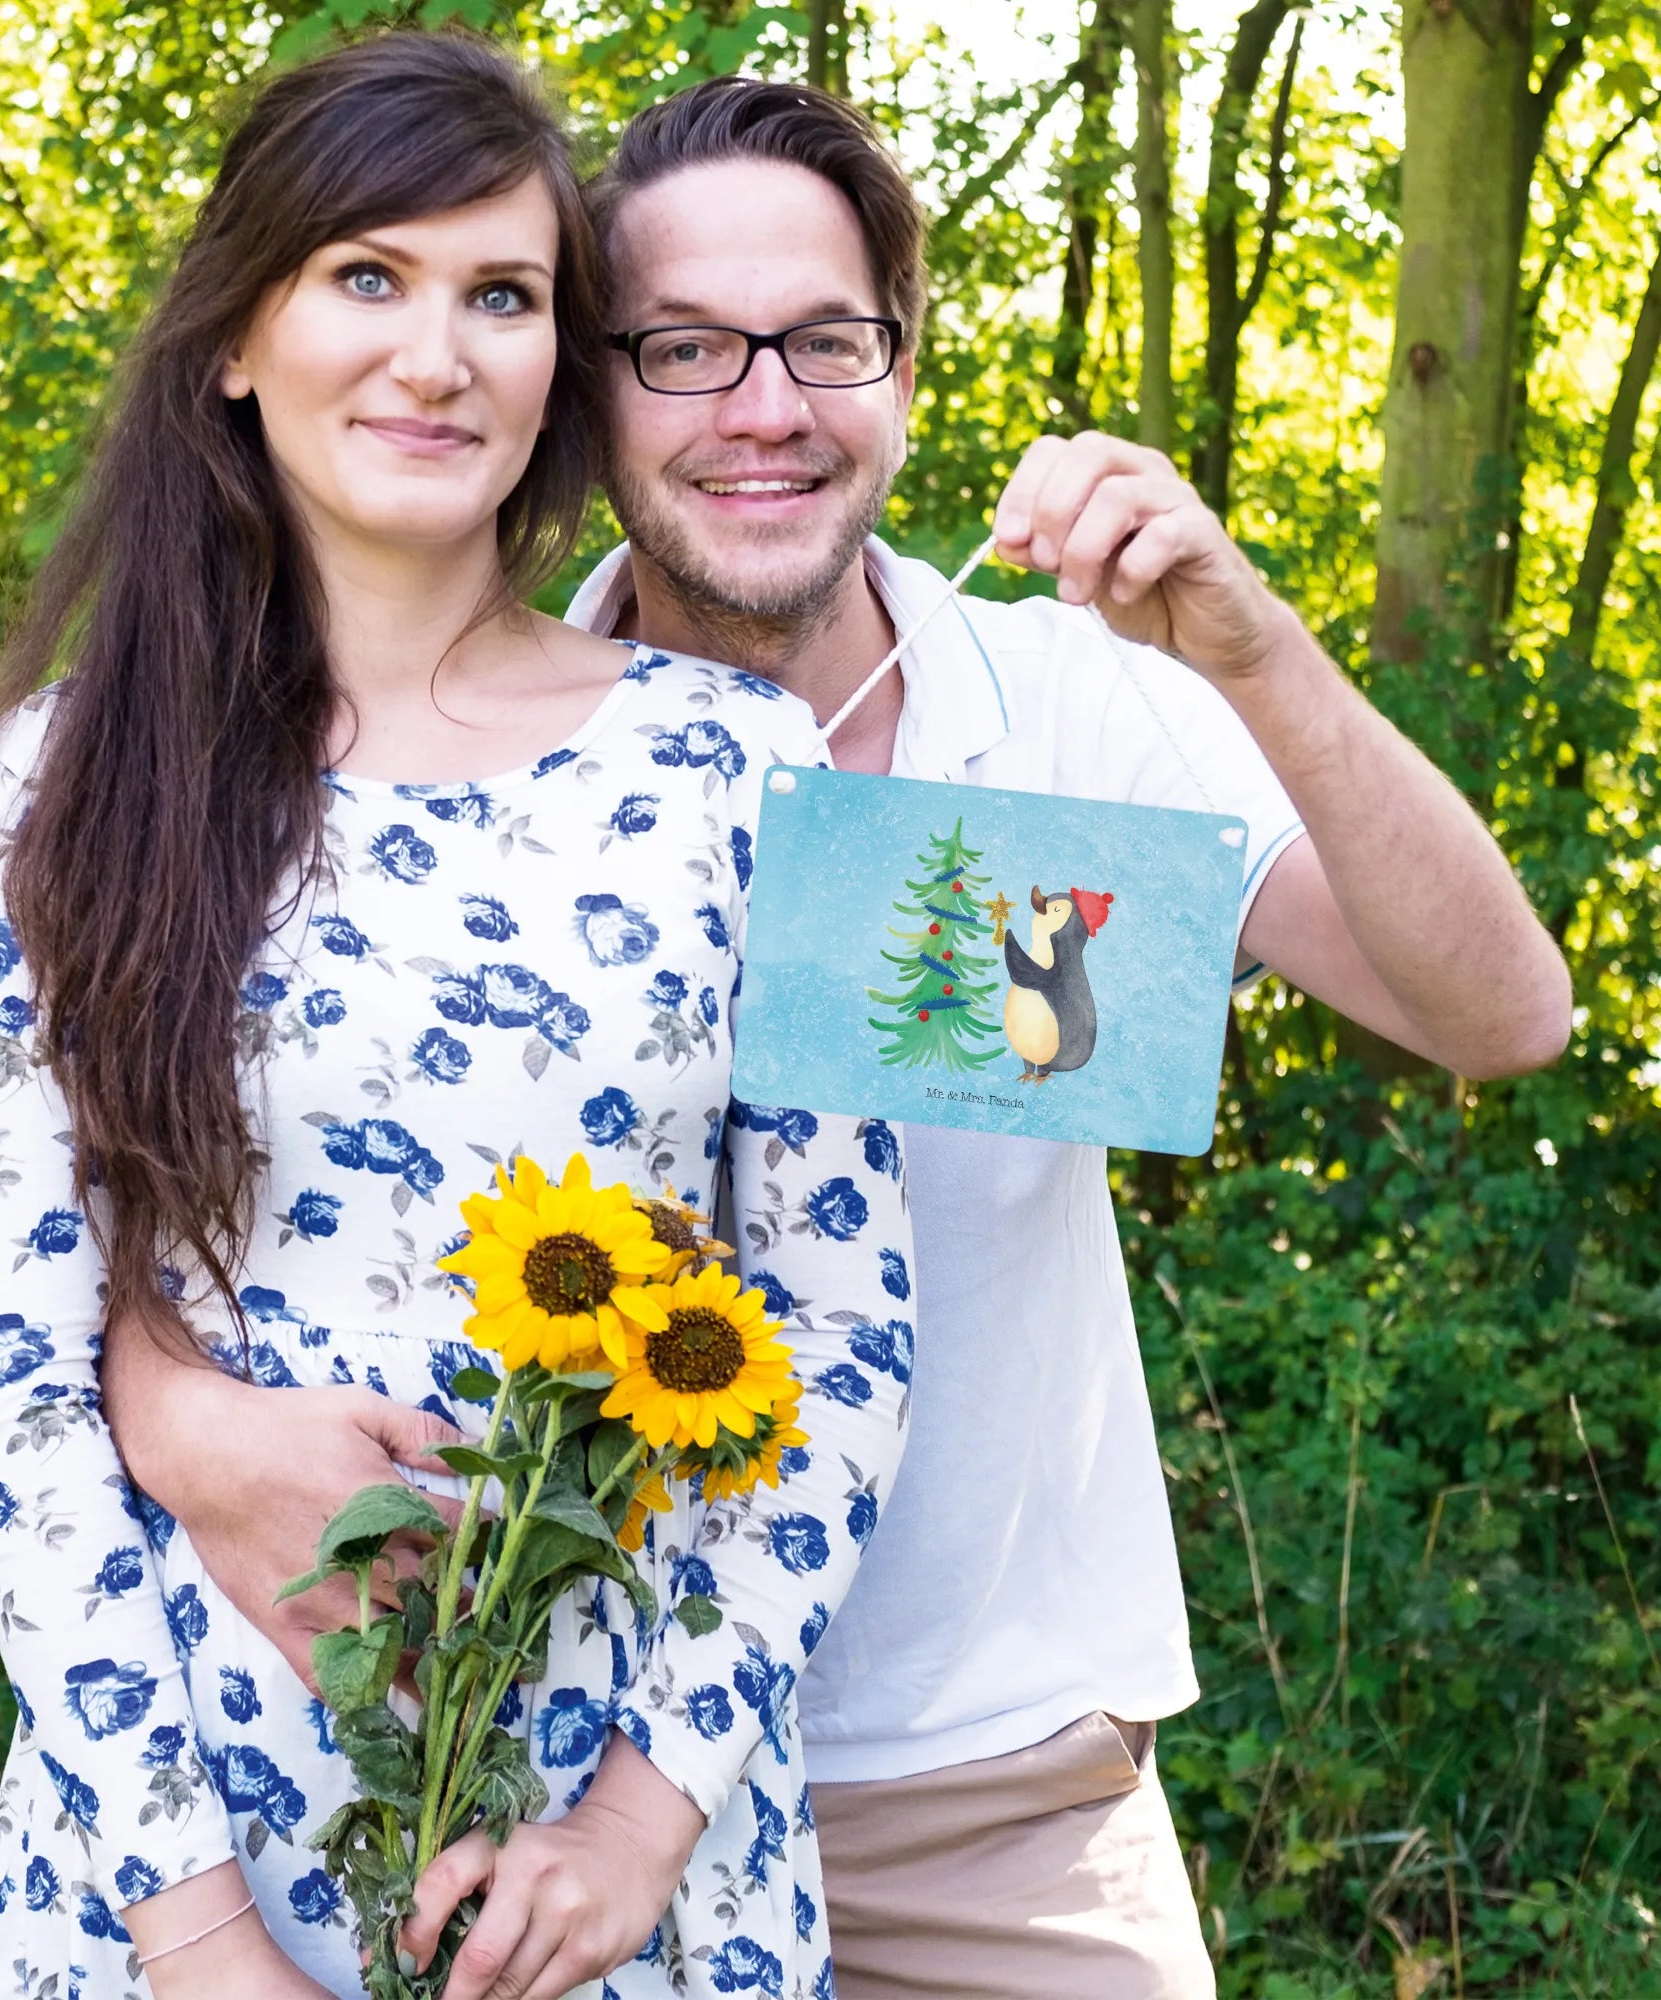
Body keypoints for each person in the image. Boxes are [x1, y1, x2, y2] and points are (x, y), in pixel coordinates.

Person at [104, 69, 1571, 2000]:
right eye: (687, 348)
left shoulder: (1063, 702)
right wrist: (167, 1399)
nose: (766, 406)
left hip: (989, 1795)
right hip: (547, 1768)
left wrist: (1245, 641)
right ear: (587, 385)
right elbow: (203, 1210)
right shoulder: (451, 744)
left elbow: (1498, 1015)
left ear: (904, 366)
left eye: (824, 340)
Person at [0, 38, 911, 2000]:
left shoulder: (748, 767)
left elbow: (843, 1332)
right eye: (366, 277)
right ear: (237, 336)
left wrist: (636, 1825)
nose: (436, 355)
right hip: (181, 1837)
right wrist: (202, 1943)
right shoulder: (67, 781)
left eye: (504, 296)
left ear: (560, 368)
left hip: (615, 1852)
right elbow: (12, 1385)